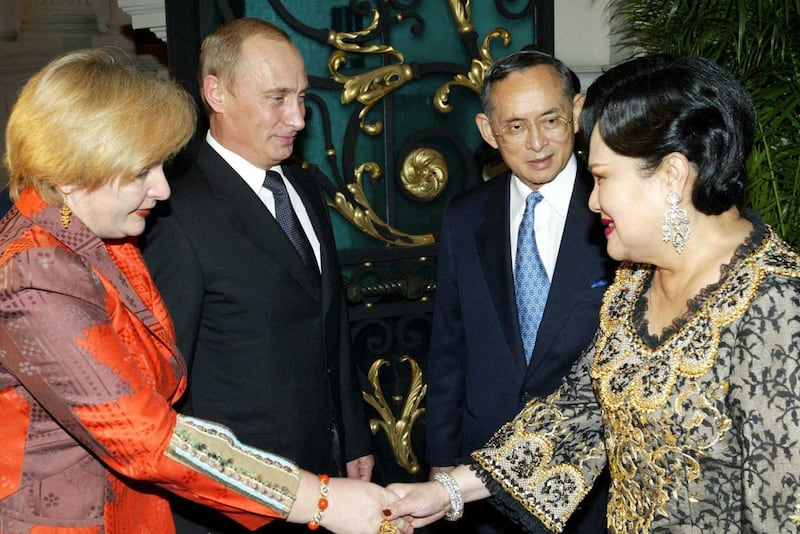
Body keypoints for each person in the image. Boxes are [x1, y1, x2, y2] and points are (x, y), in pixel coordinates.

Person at [382, 54, 800, 533]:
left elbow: (782, 510)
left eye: (602, 178)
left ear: (671, 175)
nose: (593, 199)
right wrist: (445, 490)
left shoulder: (777, 307)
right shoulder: (636, 281)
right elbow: (577, 414)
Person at [0, 48, 410, 534]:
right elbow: (149, 438)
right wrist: (319, 500)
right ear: (70, 171)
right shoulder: (35, 274)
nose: (163, 190)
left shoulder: (92, 238)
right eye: (140, 172)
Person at [140, 18, 375, 533]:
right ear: (216, 92)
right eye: (276, 98)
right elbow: (164, 385)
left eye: (302, 97)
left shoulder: (304, 187)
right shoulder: (173, 211)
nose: (297, 117)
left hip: (327, 478)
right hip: (238, 503)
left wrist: (352, 437)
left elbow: (330, 326)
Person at [424, 49, 613, 533]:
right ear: (488, 131)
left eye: (550, 119)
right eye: (515, 127)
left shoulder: (616, 208)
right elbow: (449, 346)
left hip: (593, 481)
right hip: (483, 477)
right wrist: (443, 461)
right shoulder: (464, 217)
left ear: (577, 111)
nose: (536, 143)